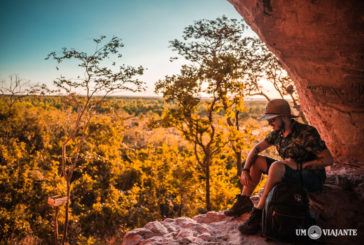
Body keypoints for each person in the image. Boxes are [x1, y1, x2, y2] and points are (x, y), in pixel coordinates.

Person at [224, 99, 333, 235]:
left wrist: (299, 166)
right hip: (288, 170)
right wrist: (245, 170)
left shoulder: (307, 132)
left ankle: (258, 214)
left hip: (311, 176)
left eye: (273, 120)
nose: (269, 123)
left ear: (285, 117)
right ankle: (244, 201)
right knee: (257, 161)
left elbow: (328, 159)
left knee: (276, 166)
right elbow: (256, 148)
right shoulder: (278, 133)